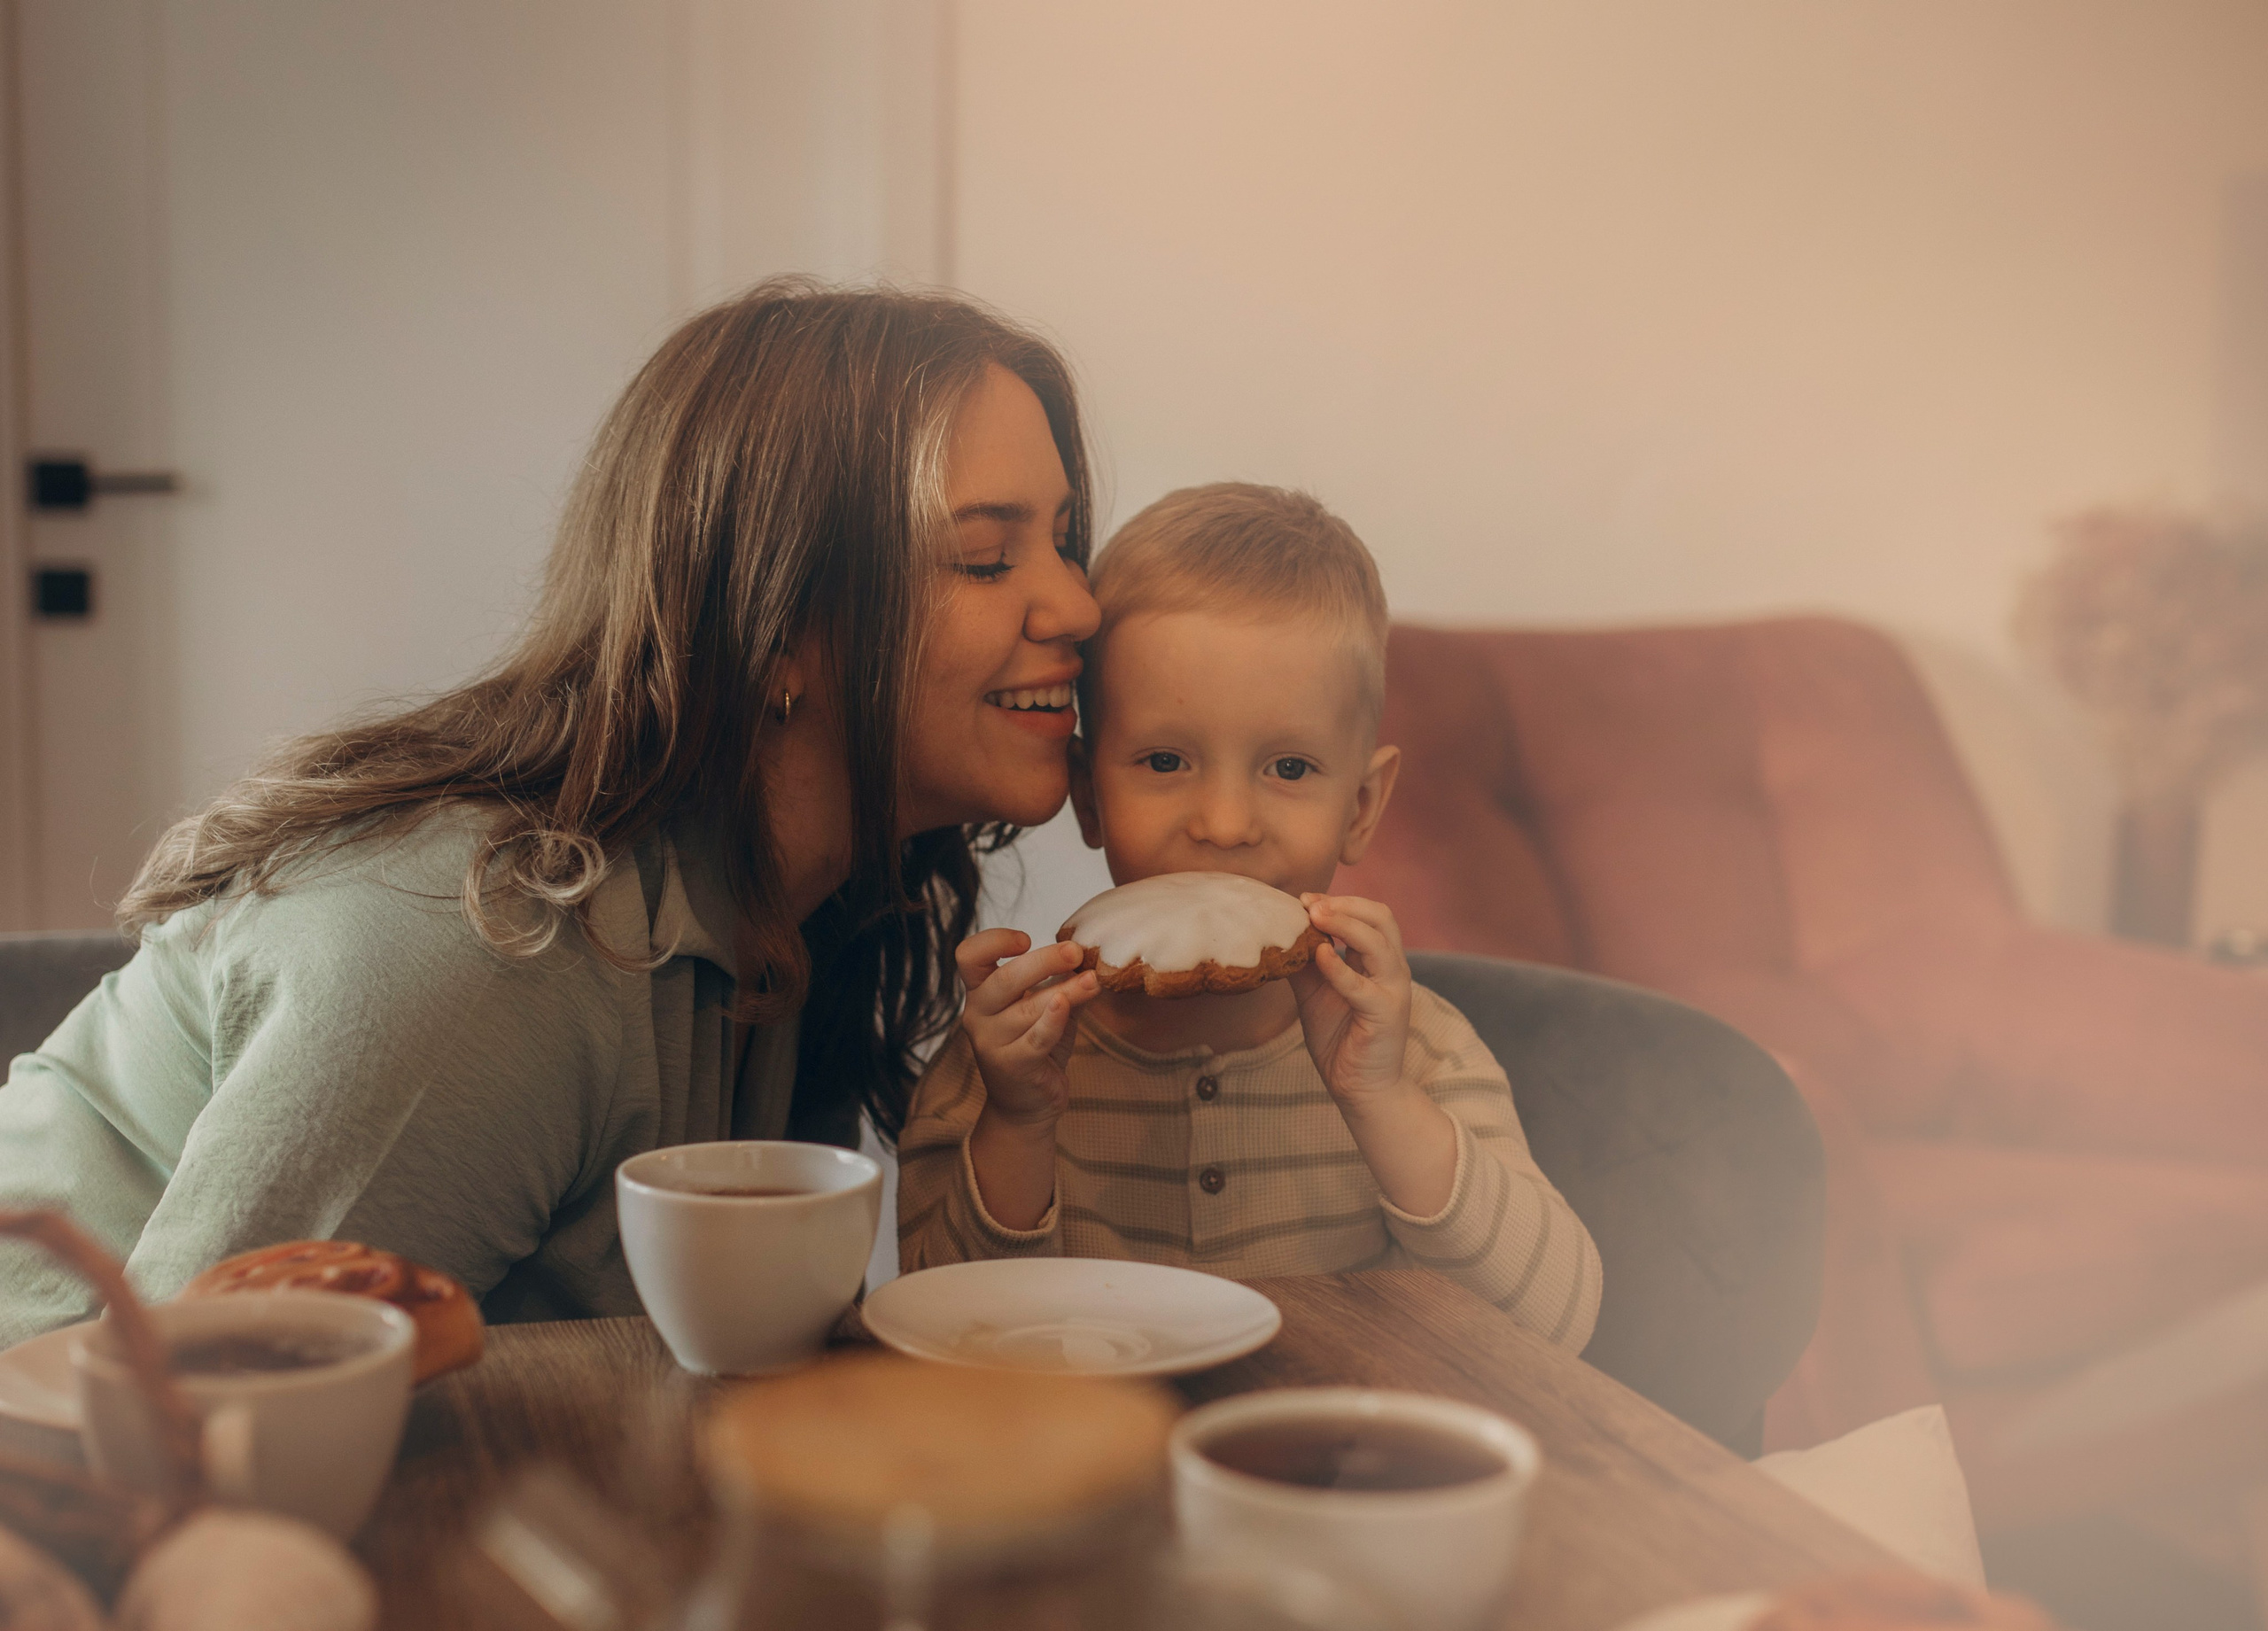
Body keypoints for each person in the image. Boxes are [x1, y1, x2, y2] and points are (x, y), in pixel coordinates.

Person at [0, 280, 1101, 1343]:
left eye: (1064, 541)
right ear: (774, 625)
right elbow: (206, 1415)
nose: (1078, 604)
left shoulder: (800, 910)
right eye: (986, 558)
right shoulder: (491, 951)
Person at [897, 484, 1603, 1348]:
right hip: (1094, 1464)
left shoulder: (1414, 1049)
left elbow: (1558, 1321)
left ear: (1361, 805)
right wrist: (1015, 1122)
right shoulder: (1010, 1055)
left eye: (1289, 767)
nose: (1224, 823)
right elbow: (943, 1336)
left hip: (1338, 1463)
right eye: (1165, 759)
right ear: (1087, 793)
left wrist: (1380, 1101)